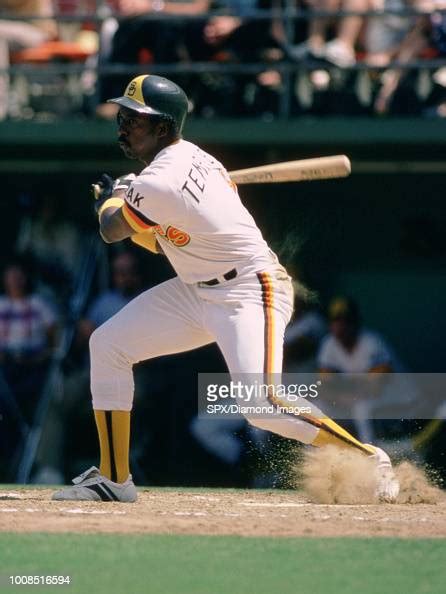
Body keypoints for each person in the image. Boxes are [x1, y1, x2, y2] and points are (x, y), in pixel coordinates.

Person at [52, 74, 399, 503]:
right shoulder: (192, 161)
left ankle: (368, 458)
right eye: (122, 116)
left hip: (251, 289)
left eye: (134, 119)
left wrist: (109, 197)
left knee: (261, 404)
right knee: (107, 345)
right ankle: (114, 478)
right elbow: (158, 243)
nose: (122, 125)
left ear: (163, 127)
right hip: (197, 289)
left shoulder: (159, 181)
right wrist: (129, 197)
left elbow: (111, 231)